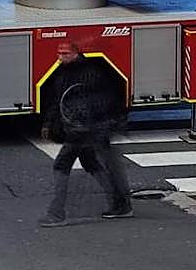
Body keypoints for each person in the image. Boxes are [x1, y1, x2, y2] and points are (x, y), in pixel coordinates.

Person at [38, 42, 133, 227]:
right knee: (92, 164)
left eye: (65, 53)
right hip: (88, 129)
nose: (60, 57)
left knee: (61, 165)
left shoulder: (87, 74)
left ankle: (56, 213)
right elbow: (58, 101)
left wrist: (79, 125)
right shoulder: (70, 72)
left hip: (83, 130)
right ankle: (121, 205)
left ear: (75, 53)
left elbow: (88, 103)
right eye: (59, 53)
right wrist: (49, 123)